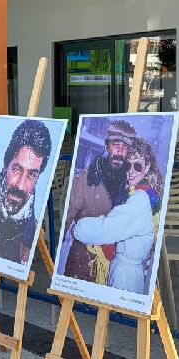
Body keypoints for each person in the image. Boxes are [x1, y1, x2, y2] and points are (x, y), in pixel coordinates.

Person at [72, 138, 163, 294]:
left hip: (126, 274)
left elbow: (108, 229)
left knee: (121, 316)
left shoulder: (139, 199)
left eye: (138, 165)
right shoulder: (144, 193)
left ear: (147, 168)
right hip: (130, 269)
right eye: (128, 165)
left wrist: (78, 228)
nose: (131, 171)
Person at [0, 119, 54, 264]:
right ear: (6, 165)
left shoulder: (31, 230)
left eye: (32, 174)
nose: (20, 186)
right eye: (17, 169)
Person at [62, 120, 135, 282]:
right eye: (116, 145)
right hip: (84, 265)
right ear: (107, 146)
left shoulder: (132, 185)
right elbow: (66, 220)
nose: (119, 151)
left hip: (117, 267)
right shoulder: (85, 180)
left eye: (125, 148)